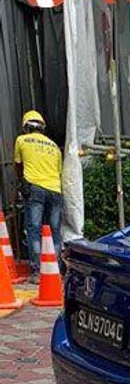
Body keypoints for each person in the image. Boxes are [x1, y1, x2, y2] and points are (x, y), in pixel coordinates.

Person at [14, 110, 62, 282]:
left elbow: (18, 166)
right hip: (56, 190)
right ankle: (55, 270)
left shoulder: (21, 140)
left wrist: (21, 184)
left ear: (26, 127)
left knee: (34, 229)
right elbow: (58, 172)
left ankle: (37, 272)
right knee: (55, 231)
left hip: (35, 189)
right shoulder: (54, 146)